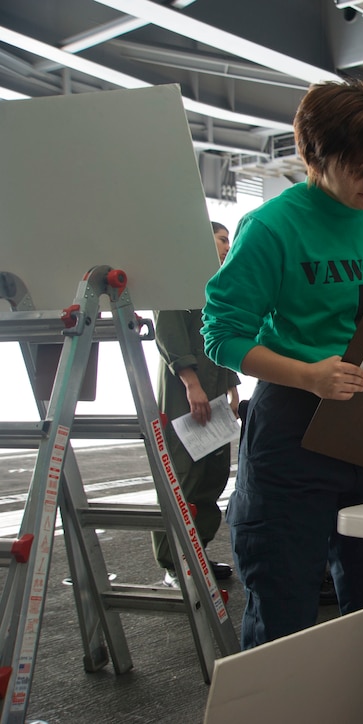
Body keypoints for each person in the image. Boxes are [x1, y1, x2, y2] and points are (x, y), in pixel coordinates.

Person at [202, 79, 363, 649]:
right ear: (314, 158)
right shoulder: (273, 227)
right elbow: (221, 335)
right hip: (293, 429)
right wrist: (309, 375)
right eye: (357, 169)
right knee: (284, 606)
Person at [151, 221, 239, 587]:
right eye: (221, 240)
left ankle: (197, 554)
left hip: (216, 390)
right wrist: (191, 384)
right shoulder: (175, 281)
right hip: (185, 393)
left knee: (212, 475)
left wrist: (232, 385)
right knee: (183, 475)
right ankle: (175, 565)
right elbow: (169, 336)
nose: (226, 246)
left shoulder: (217, 287)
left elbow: (223, 338)